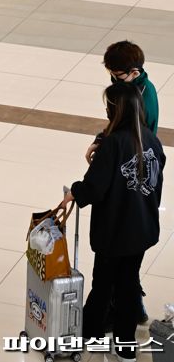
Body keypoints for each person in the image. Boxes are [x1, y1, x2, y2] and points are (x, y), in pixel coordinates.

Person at [61, 83, 165, 360]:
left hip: (115, 230)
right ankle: (126, 346)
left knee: (104, 282)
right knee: (129, 283)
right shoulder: (151, 141)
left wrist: (75, 191)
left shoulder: (113, 144)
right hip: (142, 228)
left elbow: (94, 188)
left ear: (115, 110)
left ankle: (92, 335)